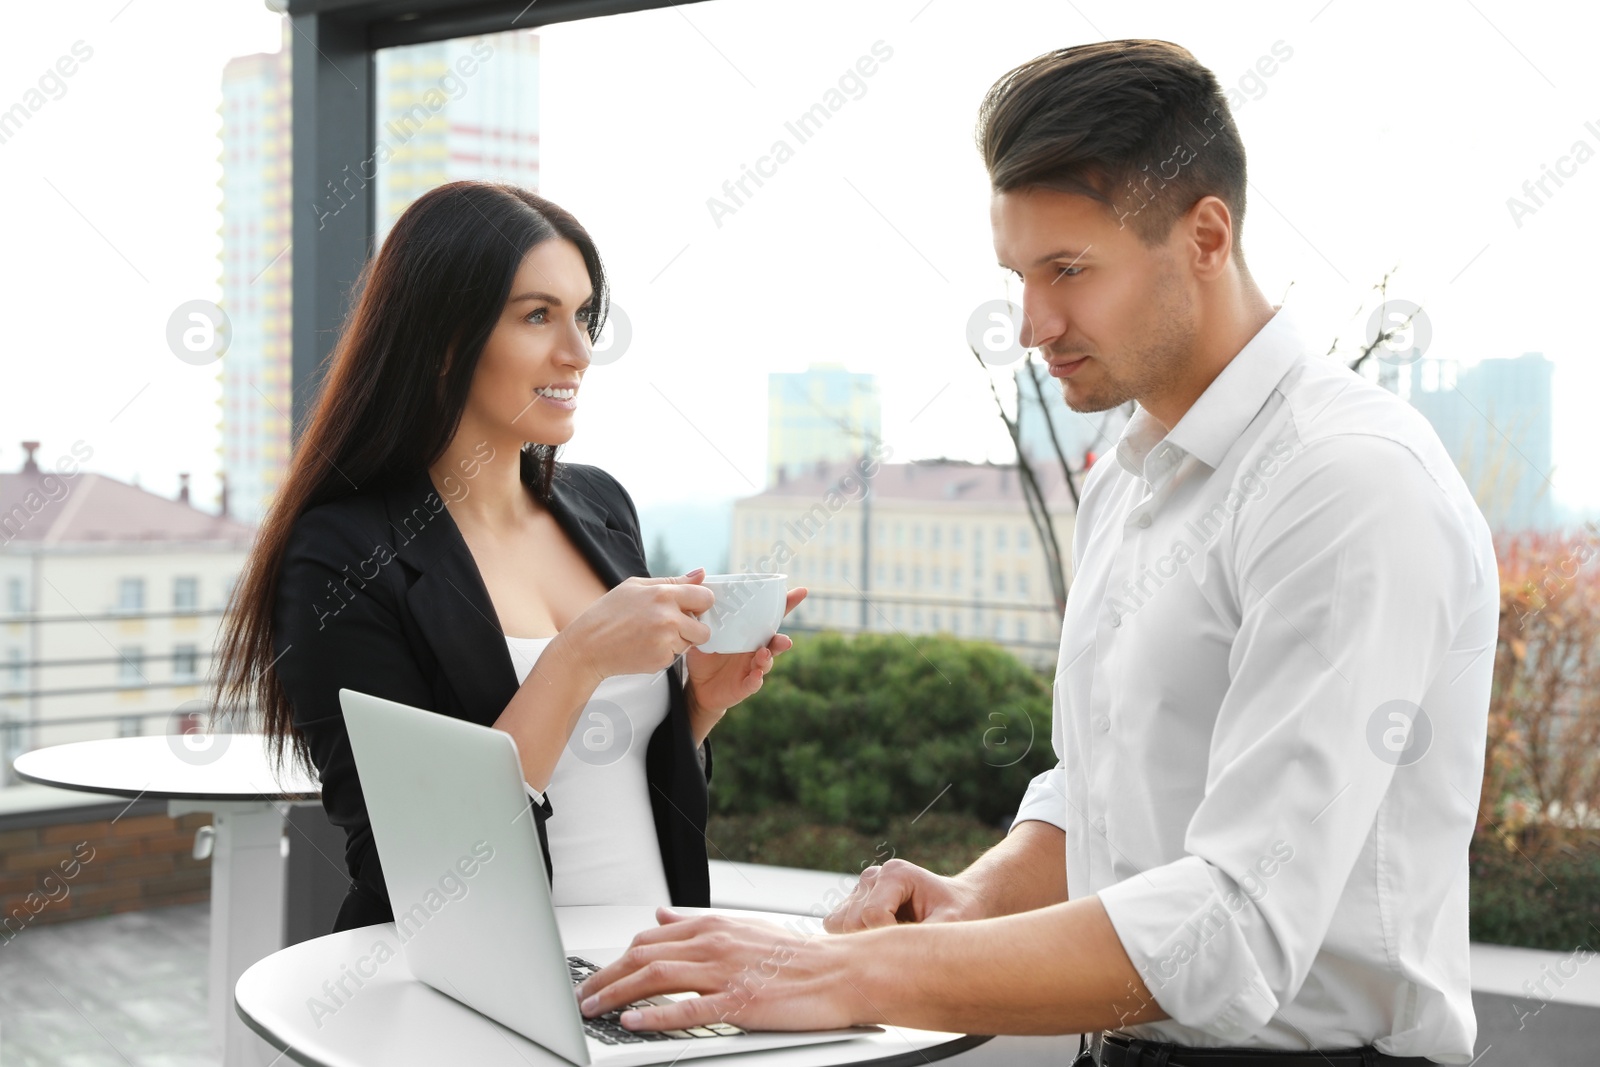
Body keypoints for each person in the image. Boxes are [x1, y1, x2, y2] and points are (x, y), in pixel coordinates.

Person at [574, 39, 1495, 1067]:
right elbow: (1096, 782)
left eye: (1069, 270)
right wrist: (974, 896)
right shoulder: (1129, 476)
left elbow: (1233, 924)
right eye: (1020, 275)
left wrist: (827, 970)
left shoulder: (1342, 482)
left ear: (1204, 235)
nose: (1033, 324)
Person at [212, 181, 803, 932]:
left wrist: (696, 707)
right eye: (537, 316)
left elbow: (617, 781)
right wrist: (578, 659)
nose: (580, 352)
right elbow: (417, 858)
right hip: (473, 987)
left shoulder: (601, 506)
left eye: (584, 315)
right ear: (443, 337)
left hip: (649, 968)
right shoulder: (340, 557)